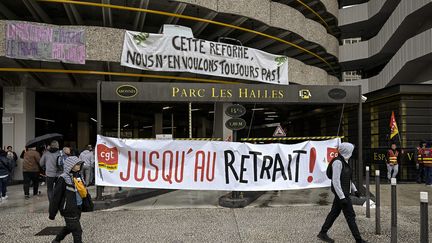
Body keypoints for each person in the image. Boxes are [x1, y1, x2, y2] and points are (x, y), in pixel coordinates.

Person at [318, 142, 368, 243]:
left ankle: (322, 233)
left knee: (334, 213)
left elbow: (347, 179)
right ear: (347, 151)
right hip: (342, 194)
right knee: (350, 216)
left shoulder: (345, 161)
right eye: (351, 151)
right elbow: (336, 181)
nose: (352, 153)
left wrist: (355, 190)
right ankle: (358, 240)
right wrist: (342, 197)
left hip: (343, 193)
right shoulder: (338, 162)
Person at [49, 156, 86, 243]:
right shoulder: (63, 178)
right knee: (77, 230)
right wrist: (52, 213)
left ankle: (57, 240)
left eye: (80, 164)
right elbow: (56, 197)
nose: (79, 166)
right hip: (68, 208)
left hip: (78, 207)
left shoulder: (78, 176)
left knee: (70, 226)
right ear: (70, 165)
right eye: (77, 164)